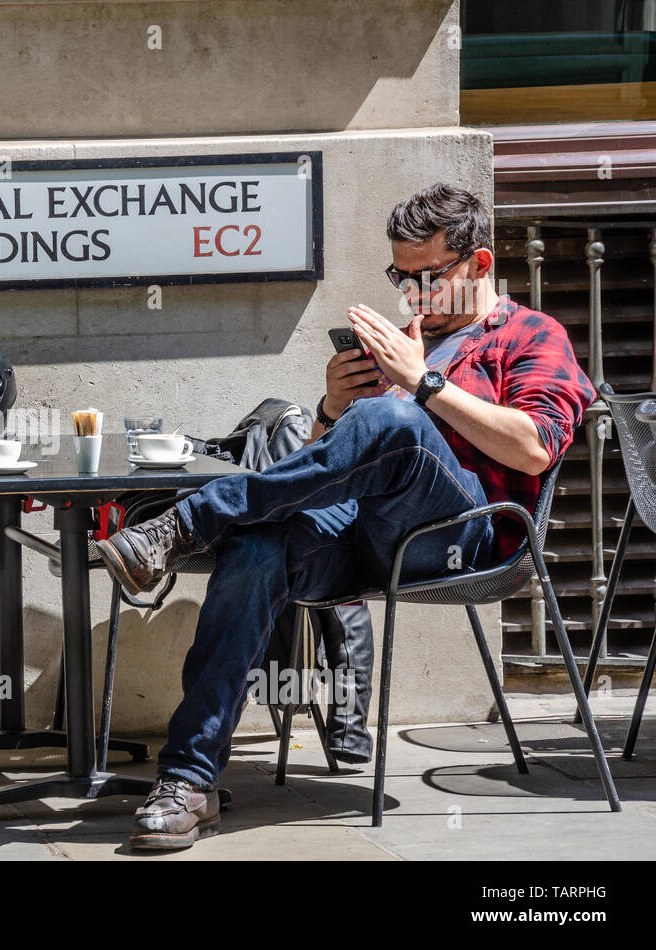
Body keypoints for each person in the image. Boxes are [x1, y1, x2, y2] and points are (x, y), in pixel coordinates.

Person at [95, 182, 596, 851]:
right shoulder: (407, 342)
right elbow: (315, 475)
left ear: (478, 265)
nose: (413, 292)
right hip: (358, 537)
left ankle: (189, 522)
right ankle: (188, 781)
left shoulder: (531, 335)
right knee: (261, 543)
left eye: (430, 276)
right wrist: (332, 411)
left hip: (458, 539)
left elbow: (535, 449)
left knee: (392, 416)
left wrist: (422, 384)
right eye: (400, 276)